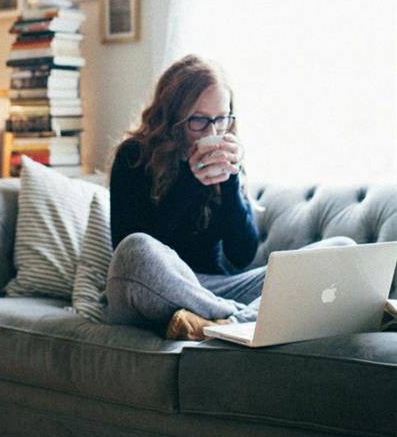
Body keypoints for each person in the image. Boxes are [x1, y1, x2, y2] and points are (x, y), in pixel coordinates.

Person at [106, 54, 353, 341]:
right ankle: (243, 319)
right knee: (136, 250)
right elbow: (131, 243)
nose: (213, 132)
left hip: (213, 289)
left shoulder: (228, 159)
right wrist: (190, 182)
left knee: (340, 249)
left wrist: (231, 182)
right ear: (173, 118)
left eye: (221, 119)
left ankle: (222, 322)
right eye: (199, 120)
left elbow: (241, 255)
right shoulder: (134, 156)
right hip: (153, 287)